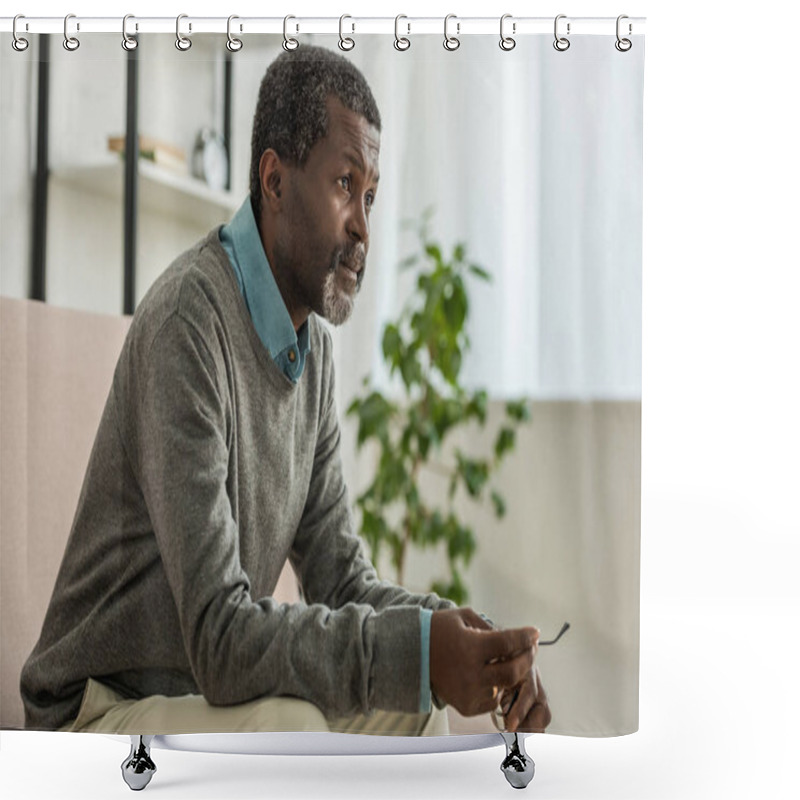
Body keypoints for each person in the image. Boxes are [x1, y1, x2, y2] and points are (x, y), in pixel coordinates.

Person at [20, 45, 550, 738]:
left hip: (201, 697)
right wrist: (420, 652)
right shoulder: (190, 323)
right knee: (288, 723)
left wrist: (463, 639)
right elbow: (221, 635)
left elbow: (343, 582)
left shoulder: (314, 354)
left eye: (371, 195)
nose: (363, 224)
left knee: (411, 711)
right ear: (274, 180)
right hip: (96, 707)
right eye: (343, 184)